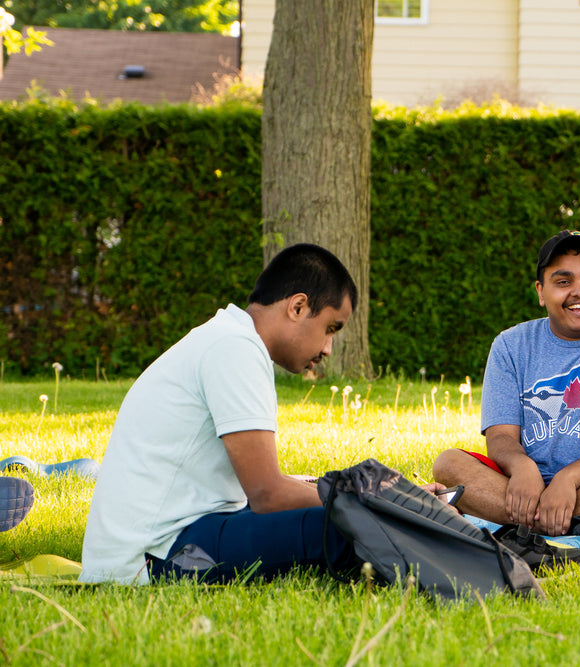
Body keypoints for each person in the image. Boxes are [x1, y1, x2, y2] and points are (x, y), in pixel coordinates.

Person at [80, 243, 443, 584]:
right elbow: (269, 495)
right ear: (298, 307)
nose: (329, 348)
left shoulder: (229, 338)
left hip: (169, 537)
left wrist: (387, 496)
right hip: (151, 557)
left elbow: (264, 487)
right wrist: (384, 504)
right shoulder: (235, 348)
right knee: (353, 529)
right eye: (330, 328)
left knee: (354, 515)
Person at [432, 230, 580, 544]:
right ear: (541, 292)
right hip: (519, 487)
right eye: (563, 281)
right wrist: (522, 467)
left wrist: (568, 479)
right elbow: (500, 437)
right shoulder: (510, 346)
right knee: (448, 464)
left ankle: (523, 531)